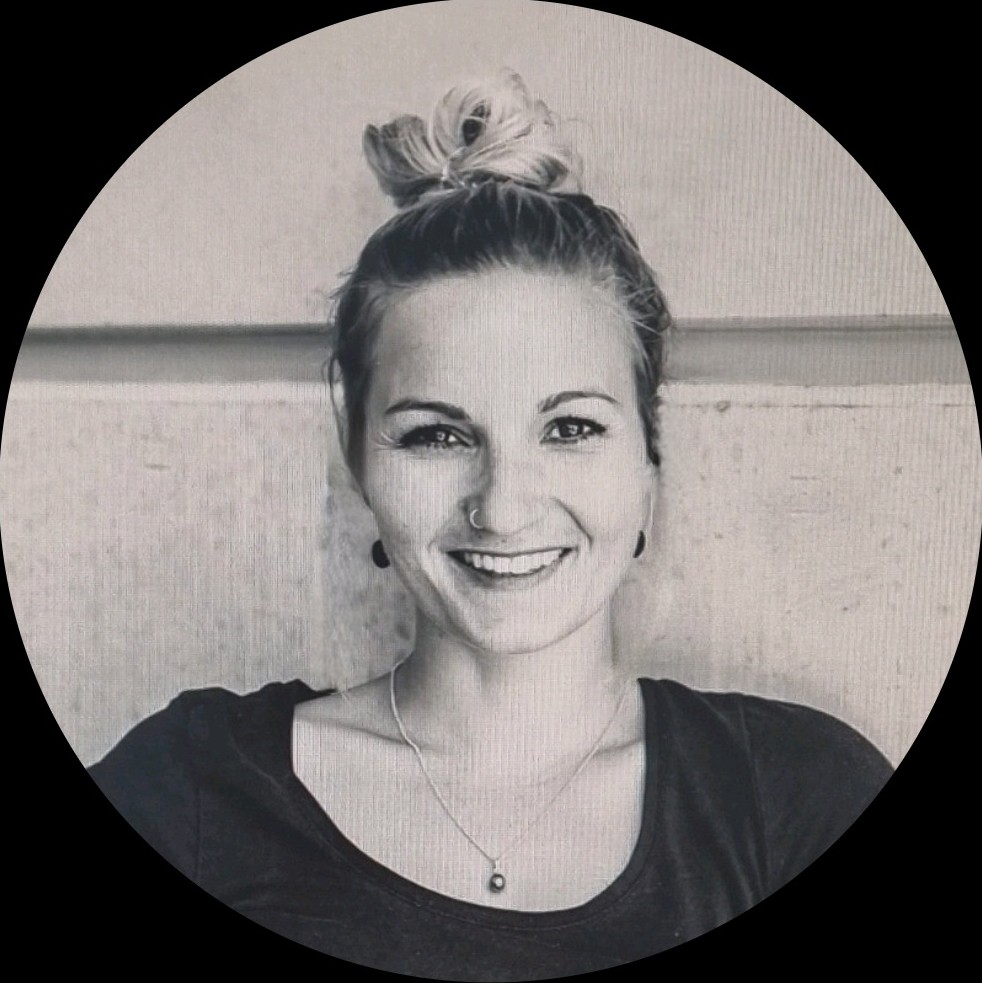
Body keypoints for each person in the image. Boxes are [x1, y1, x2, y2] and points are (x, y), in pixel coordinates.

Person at [88, 73, 893, 979]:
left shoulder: (794, 795)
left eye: (571, 428)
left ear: (648, 468)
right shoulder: (193, 794)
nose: (503, 507)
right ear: (357, 461)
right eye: (436, 434)